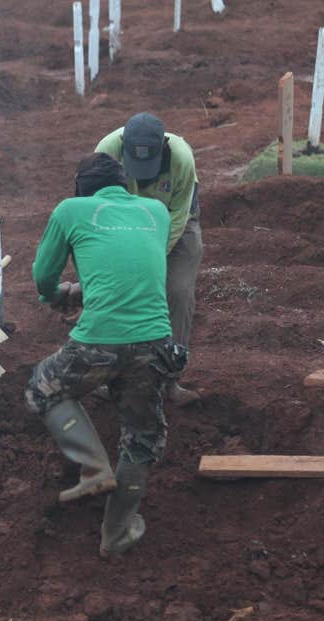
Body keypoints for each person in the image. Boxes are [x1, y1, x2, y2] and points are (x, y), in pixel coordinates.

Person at [25, 153, 186, 558]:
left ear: (81, 189)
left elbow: (43, 275)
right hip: (156, 342)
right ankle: (116, 535)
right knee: (142, 438)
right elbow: (128, 261)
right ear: (125, 185)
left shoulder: (70, 210)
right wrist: (86, 289)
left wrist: (54, 296)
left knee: (44, 388)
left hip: (99, 341)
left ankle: (94, 467)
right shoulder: (156, 211)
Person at [95, 112, 202, 405]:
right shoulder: (106, 151)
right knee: (114, 292)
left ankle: (169, 380)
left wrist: (151, 260)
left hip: (174, 225)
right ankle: (111, 376)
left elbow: (180, 216)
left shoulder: (181, 158)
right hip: (121, 226)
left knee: (178, 293)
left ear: (163, 148)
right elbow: (96, 211)